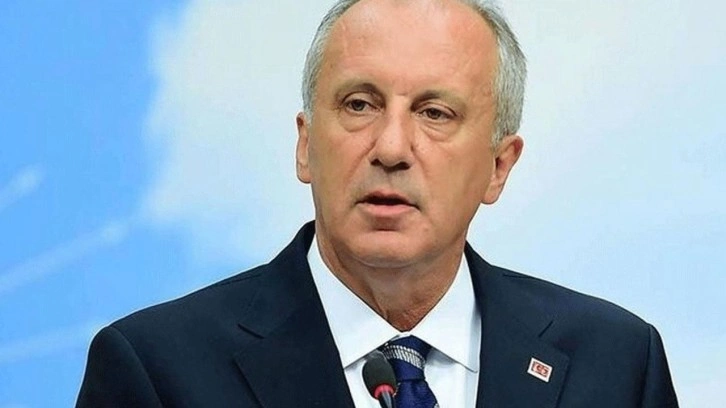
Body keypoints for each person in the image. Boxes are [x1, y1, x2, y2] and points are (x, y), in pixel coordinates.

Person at [76, 0, 679, 406]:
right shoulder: (157, 372)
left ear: (499, 166)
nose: (391, 148)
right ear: (306, 145)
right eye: (359, 105)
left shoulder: (617, 363)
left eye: (434, 113)